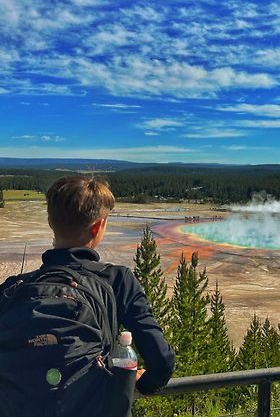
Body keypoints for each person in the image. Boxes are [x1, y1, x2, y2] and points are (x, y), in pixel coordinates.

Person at [0, 175, 175, 417]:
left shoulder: (12, 288)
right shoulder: (117, 280)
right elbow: (162, 362)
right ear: (97, 227)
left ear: (51, 222)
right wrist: (133, 385)